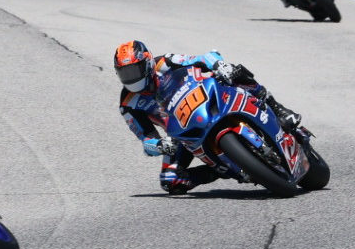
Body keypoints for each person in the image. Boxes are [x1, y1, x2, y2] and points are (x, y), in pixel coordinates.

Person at [112, 41, 301, 194]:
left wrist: (219, 65)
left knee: (233, 72)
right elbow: (146, 140)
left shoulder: (164, 62)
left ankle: (278, 108)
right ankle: (222, 169)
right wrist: (160, 145)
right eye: (125, 74)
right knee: (171, 181)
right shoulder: (128, 103)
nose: (131, 78)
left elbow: (203, 58)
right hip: (180, 132)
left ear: (147, 63)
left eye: (134, 71)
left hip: (203, 98)